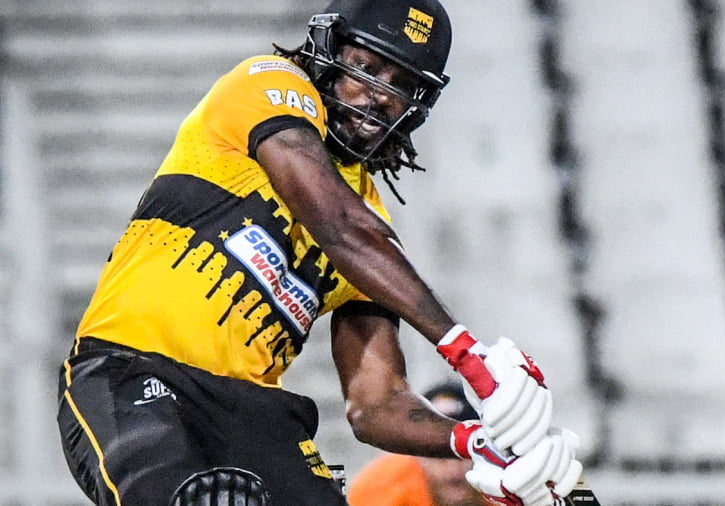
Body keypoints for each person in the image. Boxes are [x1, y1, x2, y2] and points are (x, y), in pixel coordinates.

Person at [55, 0, 582, 505]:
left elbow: (376, 405)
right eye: (366, 67)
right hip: (132, 372)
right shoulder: (267, 85)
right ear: (327, 48)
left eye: (402, 84)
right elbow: (337, 225)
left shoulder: (371, 233)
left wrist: (475, 441)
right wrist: (466, 351)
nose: (380, 95)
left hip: (254, 415)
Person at [347, 381, 491, 506]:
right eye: (437, 455)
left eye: (463, 454)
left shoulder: (501, 476)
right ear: (415, 453)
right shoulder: (379, 489)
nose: (452, 470)